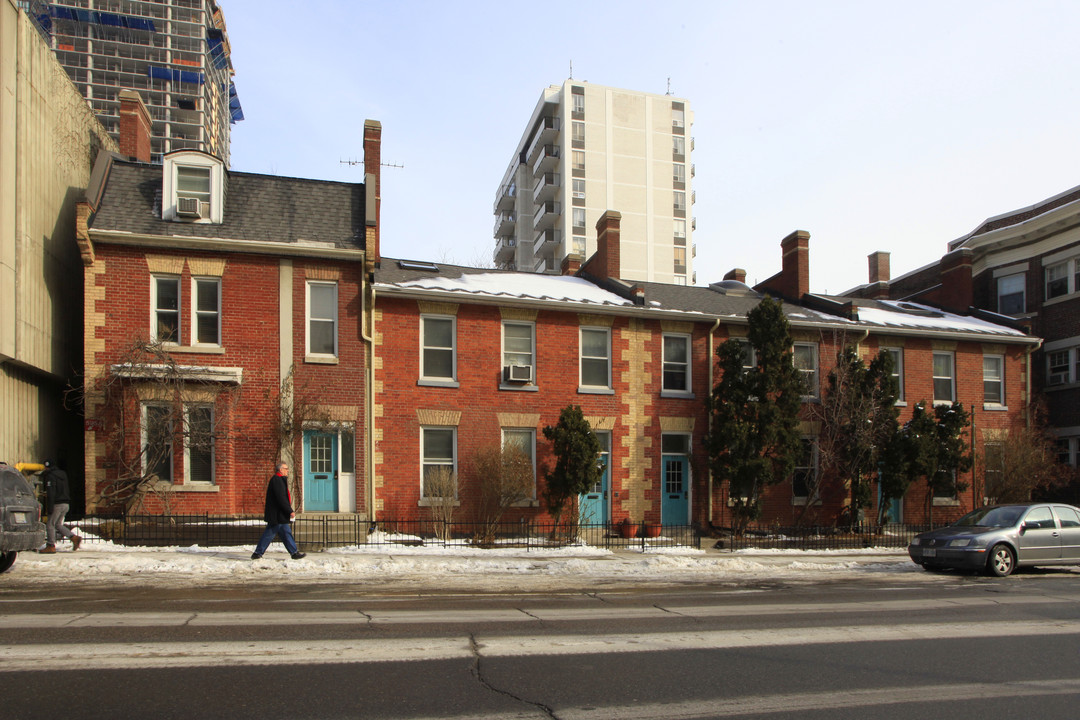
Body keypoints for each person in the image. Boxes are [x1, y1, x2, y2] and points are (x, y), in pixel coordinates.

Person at [251, 461, 305, 560]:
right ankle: (258, 553)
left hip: (279, 515)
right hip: (277, 514)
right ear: (281, 470)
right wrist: (289, 511)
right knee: (270, 534)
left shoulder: (279, 480)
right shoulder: (277, 480)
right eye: (286, 469)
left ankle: (294, 552)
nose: (287, 471)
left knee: (285, 532)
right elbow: (281, 498)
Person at [40, 460, 81, 554]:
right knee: (58, 524)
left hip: (57, 504)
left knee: (50, 524)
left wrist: (49, 507)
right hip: (66, 503)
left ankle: (50, 546)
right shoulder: (63, 475)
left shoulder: (50, 476)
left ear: (47, 467)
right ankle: (74, 538)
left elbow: (51, 492)